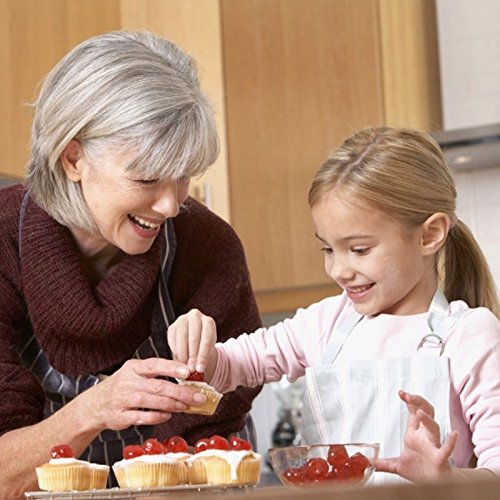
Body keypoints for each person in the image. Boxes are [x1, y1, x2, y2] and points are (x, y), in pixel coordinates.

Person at [0, 30, 262, 497]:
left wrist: (218, 365)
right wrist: (94, 409)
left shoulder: (206, 246)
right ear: (74, 157)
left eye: (183, 176)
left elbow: (222, 452)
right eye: (146, 178)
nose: (170, 205)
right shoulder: (3, 245)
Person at [168, 126, 500, 484]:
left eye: (359, 249)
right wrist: (198, 345)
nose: (338, 270)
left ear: (429, 234)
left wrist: (446, 480)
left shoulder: (468, 334)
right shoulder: (327, 322)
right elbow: (236, 365)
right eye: (327, 249)